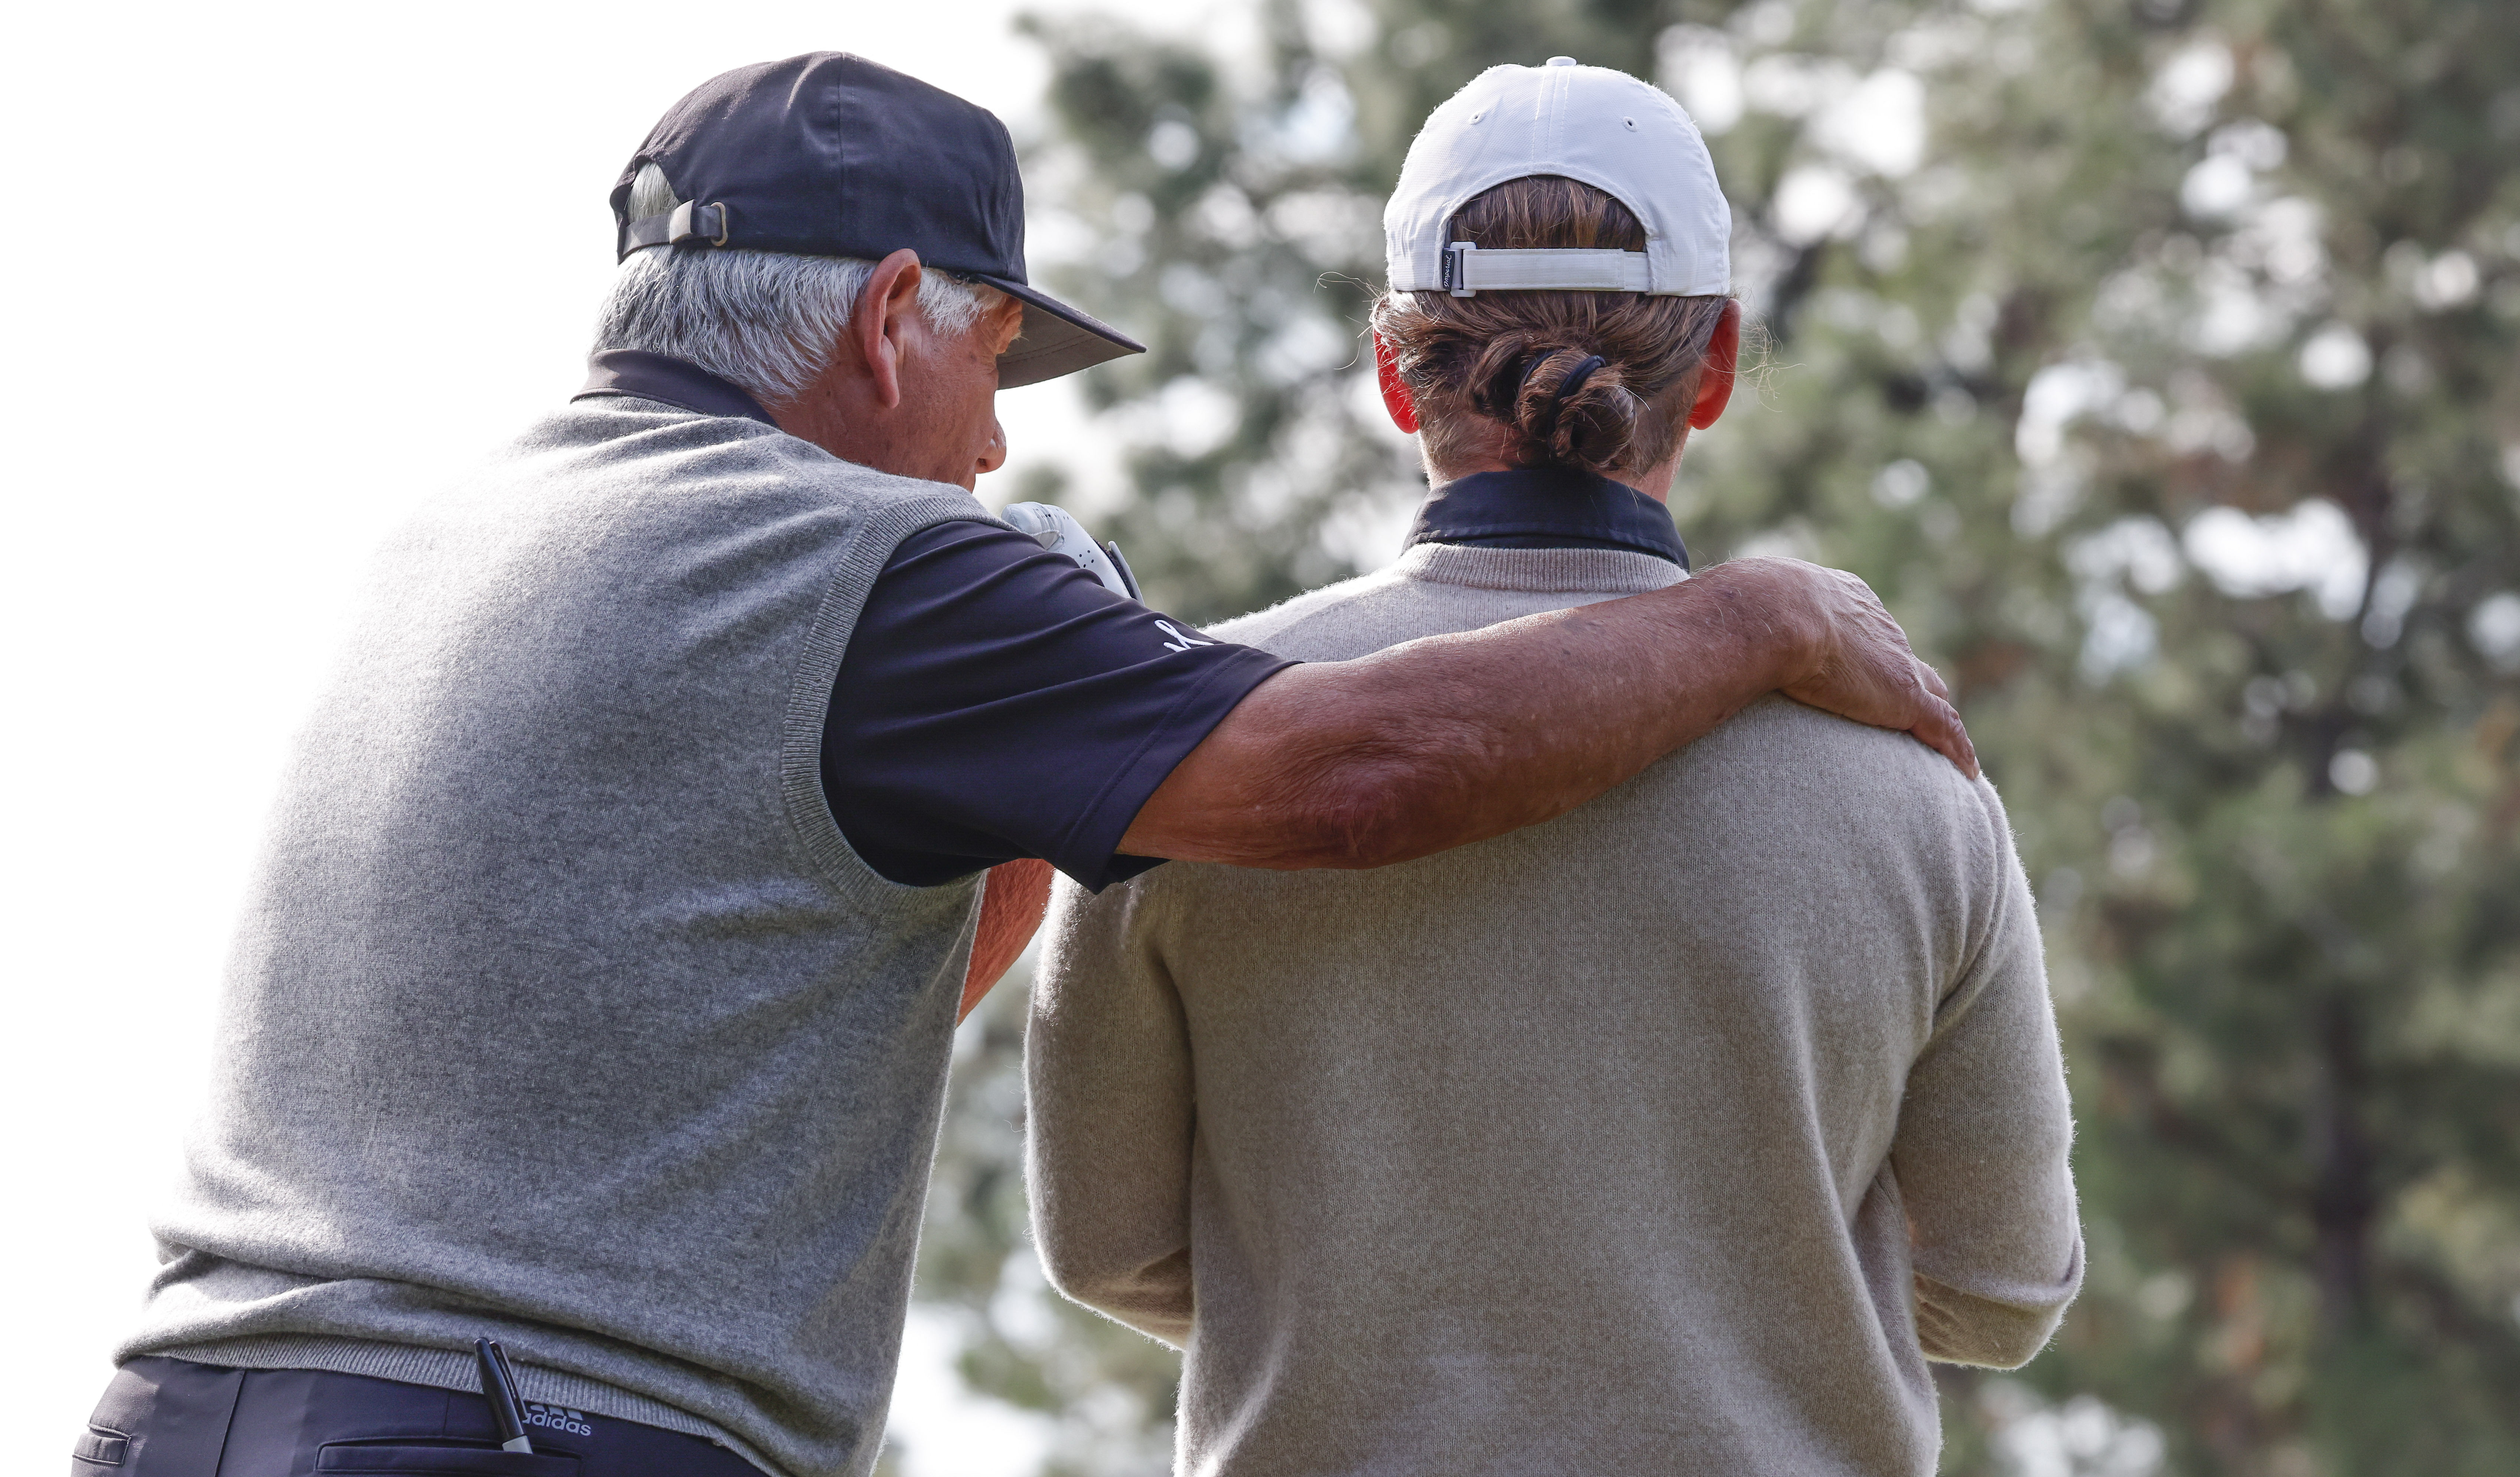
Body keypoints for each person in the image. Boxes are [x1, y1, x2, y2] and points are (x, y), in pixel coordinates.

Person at [73, 51, 1976, 1477]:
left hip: (185, 1411)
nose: (991, 447)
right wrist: (1760, 622)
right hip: (522, 1437)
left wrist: (1047, 774)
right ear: (896, 315)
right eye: (998, 359)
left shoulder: (465, 533)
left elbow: (803, 950)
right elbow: (1349, 782)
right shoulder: (860, 571)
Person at [1026, 58, 2082, 1477]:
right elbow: (2003, 1291)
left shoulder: (1194, 744)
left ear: (1398, 377)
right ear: (1708, 369)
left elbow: (1106, 1242)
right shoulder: (1915, 784)